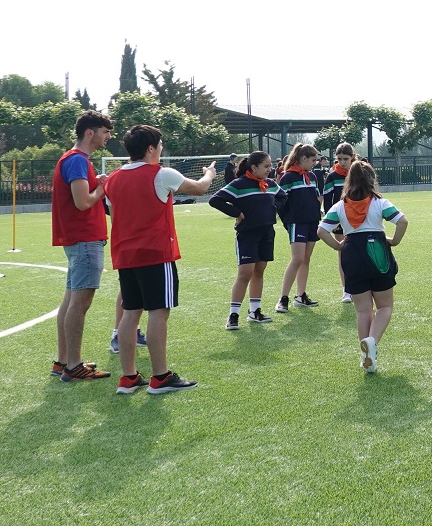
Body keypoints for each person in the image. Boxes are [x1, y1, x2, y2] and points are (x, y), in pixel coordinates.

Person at [106, 124, 216, 394]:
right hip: (155, 253)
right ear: (151, 148)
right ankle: (160, 377)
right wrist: (210, 174)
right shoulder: (161, 173)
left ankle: (128, 377)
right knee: (158, 312)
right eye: (160, 145)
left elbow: (113, 214)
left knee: (130, 312)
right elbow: (199, 189)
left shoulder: (113, 179)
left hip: (125, 254)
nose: (161, 149)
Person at [316, 160, 407, 373]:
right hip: (378, 254)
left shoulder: (340, 206)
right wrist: (394, 241)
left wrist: (338, 245)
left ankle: (366, 356)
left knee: (363, 310)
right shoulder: (380, 203)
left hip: (352, 254)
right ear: (372, 180)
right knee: (384, 307)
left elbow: (321, 230)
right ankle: (372, 341)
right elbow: (402, 221)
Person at [51, 109, 115, 382]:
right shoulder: (77, 160)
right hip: (85, 239)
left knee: (70, 300)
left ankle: (64, 361)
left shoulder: (73, 159)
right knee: (79, 303)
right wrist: (103, 187)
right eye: (105, 132)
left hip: (78, 239)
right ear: (90, 133)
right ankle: (73, 365)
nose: (108, 137)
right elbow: (83, 202)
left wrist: (96, 184)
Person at [209, 150, 280, 328]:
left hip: (267, 233)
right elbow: (215, 200)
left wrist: (272, 210)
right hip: (247, 234)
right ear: (254, 167)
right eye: (266, 166)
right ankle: (233, 315)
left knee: (259, 271)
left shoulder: (271, 184)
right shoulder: (239, 184)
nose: (270, 169)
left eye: (270, 166)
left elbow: (282, 197)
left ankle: (254, 312)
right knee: (245, 273)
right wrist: (236, 212)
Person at [274, 143, 322, 312]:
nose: (315, 163)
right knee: (297, 259)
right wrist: (288, 221)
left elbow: (316, 197)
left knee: (305, 259)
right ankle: (283, 298)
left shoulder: (312, 176)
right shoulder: (288, 177)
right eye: (313, 160)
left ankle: (300, 296)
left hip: (312, 222)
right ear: (303, 158)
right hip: (297, 223)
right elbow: (279, 201)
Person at [320, 143, 357, 302]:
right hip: (340, 221)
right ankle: (346, 290)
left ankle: (360, 287)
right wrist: (333, 222)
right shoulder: (332, 177)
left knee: (359, 253)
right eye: (339, 159)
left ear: (352, 158)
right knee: (344, 254)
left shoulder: (358, 173)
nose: (342, 162)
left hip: (358, 220)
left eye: (345, 159)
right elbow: (328, 200)